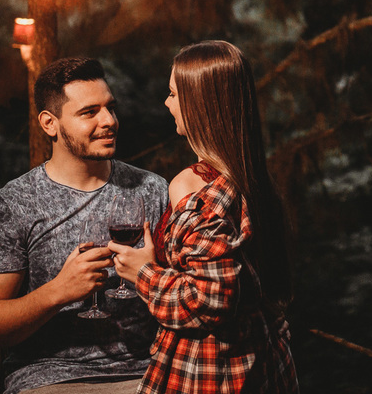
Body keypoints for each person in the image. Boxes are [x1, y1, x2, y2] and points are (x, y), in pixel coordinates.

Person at [0, 57, 170, 394]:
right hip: (52, 379)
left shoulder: (153, 190)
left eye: (110, 108)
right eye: (89, 112)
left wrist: (153, 275)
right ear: (50, 124)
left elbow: (190, 290)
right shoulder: (14, 204)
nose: (109, 121)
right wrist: (58, 291)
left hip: (148, 375)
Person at [110, 40, 298, 393]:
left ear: (199, 104)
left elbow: (209, 299)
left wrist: (143, 274)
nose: (166, 103)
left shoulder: (193, 185)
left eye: (172, 94)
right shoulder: (254, 181)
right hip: (265, 363)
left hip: (211, 371)